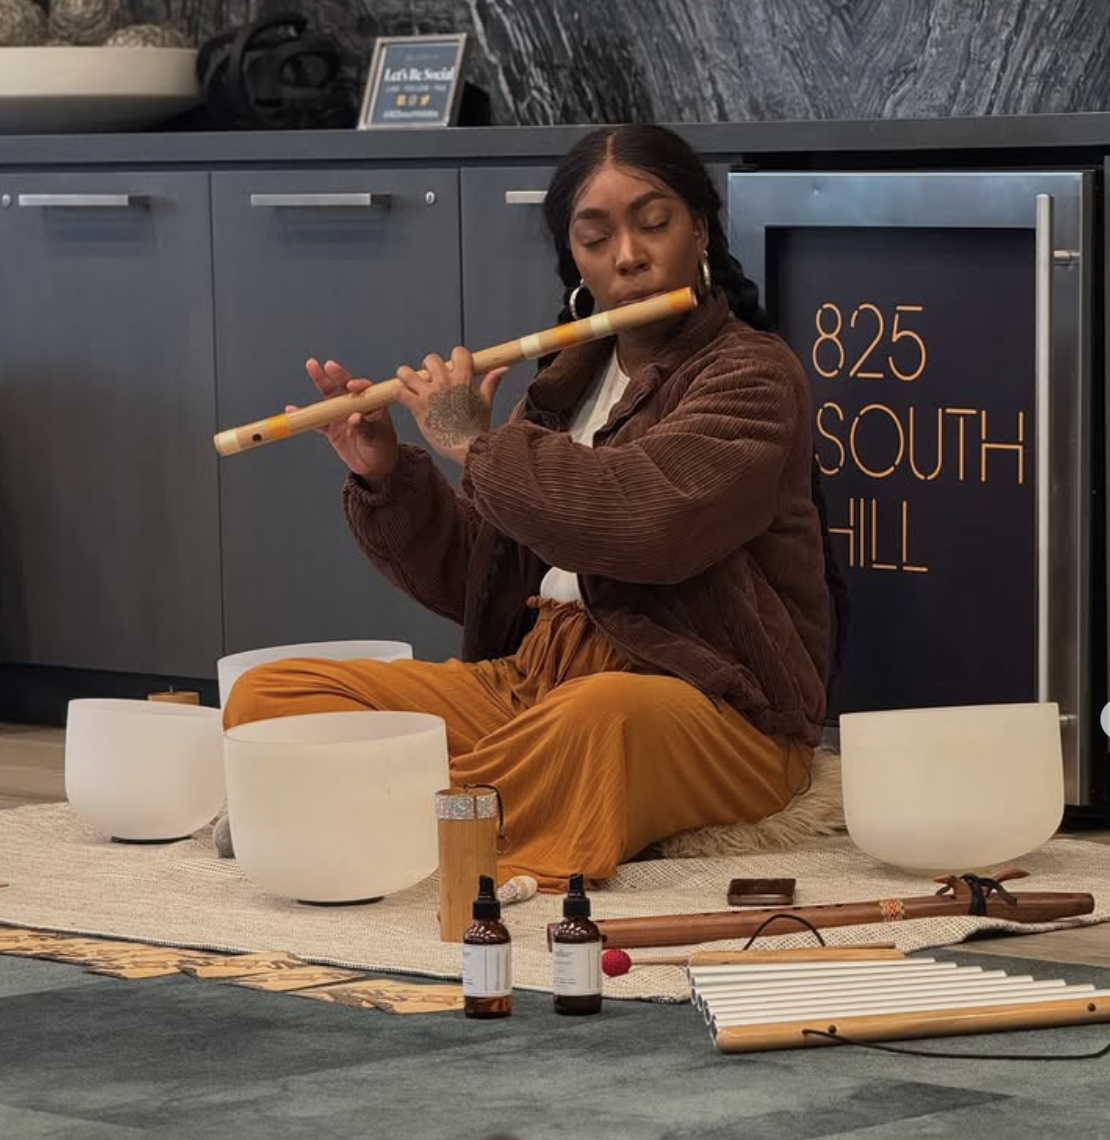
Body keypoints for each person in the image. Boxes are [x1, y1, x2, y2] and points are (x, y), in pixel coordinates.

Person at [222, 123, 838, 893]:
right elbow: (474, 579)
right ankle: (424, 805)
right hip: (536, 678)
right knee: (270, 697)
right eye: (595, 237)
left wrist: (476, 448)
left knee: (597, 722)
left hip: (708, 701)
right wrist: (386, 473)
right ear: (573, 258)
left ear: (700, 231)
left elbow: (646, 524)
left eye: (654, 224)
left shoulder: (752, 376)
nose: (628, 256)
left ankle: (355, 810)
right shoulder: (563, 384)